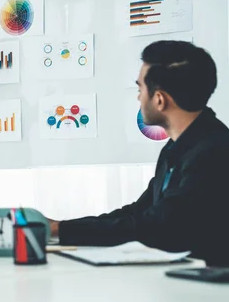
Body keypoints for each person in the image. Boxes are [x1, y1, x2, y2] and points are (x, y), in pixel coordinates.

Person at [48, 41, 229, 266]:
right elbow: (139, 212)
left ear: (160, 100)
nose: (138, 98)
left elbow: (159, 226)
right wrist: (59, 228)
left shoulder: (214, 152)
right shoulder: (176, 148)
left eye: (140, 89)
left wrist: (60, 229)